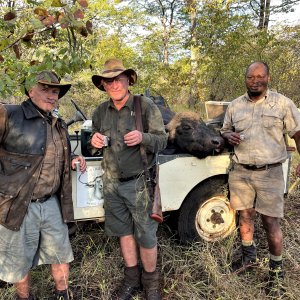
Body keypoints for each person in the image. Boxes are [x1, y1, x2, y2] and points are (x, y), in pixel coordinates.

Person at [0, 70, 86, 300]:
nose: (51, 96)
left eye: (55, 91)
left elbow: (52, 153)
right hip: (18, 203)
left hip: (51, 203)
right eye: (44, 89)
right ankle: (24, 298)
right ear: (30, 91)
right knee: (19, 260)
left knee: (60, 255)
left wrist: (73, 159)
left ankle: (62, 294)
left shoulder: (57, 123)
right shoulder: (9, 114)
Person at [89, 58, 168, 300]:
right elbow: (94, 142)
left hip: (139, 182)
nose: (114, 84)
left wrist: (143, 137)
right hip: (112, 183)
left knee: (145, 235)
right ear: (103, 85)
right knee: (124, 233)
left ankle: (152, 285)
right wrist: (93, 142)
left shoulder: (144, 106)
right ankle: (131, 280)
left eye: (118, 79)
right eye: (108, 81)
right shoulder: (100, 111)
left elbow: (162, 140)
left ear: (128, 80)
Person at [220, 61, 300, 294]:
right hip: (241, 171)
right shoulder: (235, 106)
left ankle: (276, 271)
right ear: (245, 79)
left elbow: (297, 133)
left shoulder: (283, 104)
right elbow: (225, 130)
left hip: (270, 172)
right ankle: (249, 257)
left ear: (268, 78)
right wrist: (228, 136)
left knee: (270, 222)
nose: (255, 81)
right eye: (250, 77)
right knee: (244, 216)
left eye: (260, 76)